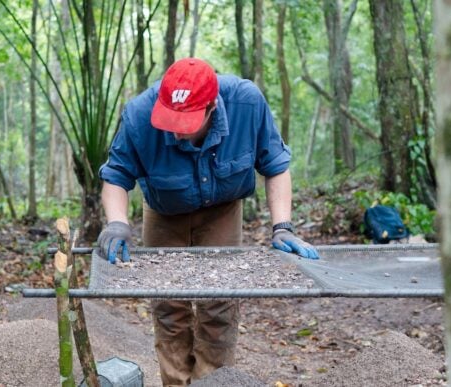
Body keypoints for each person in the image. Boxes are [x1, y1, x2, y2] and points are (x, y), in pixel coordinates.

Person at [97, 58, 318, 386]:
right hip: (164, 212)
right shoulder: (139, 115)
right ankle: (175, 382)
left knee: (218, 303)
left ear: (212, 107)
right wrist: (117, 224)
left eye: (185, 121)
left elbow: (275, 165)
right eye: (170, 118)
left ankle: (211, 382)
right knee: (169, 306)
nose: (174, 128)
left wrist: (282, 226)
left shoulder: (247, 102)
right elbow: (116, 176)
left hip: (222, 209)